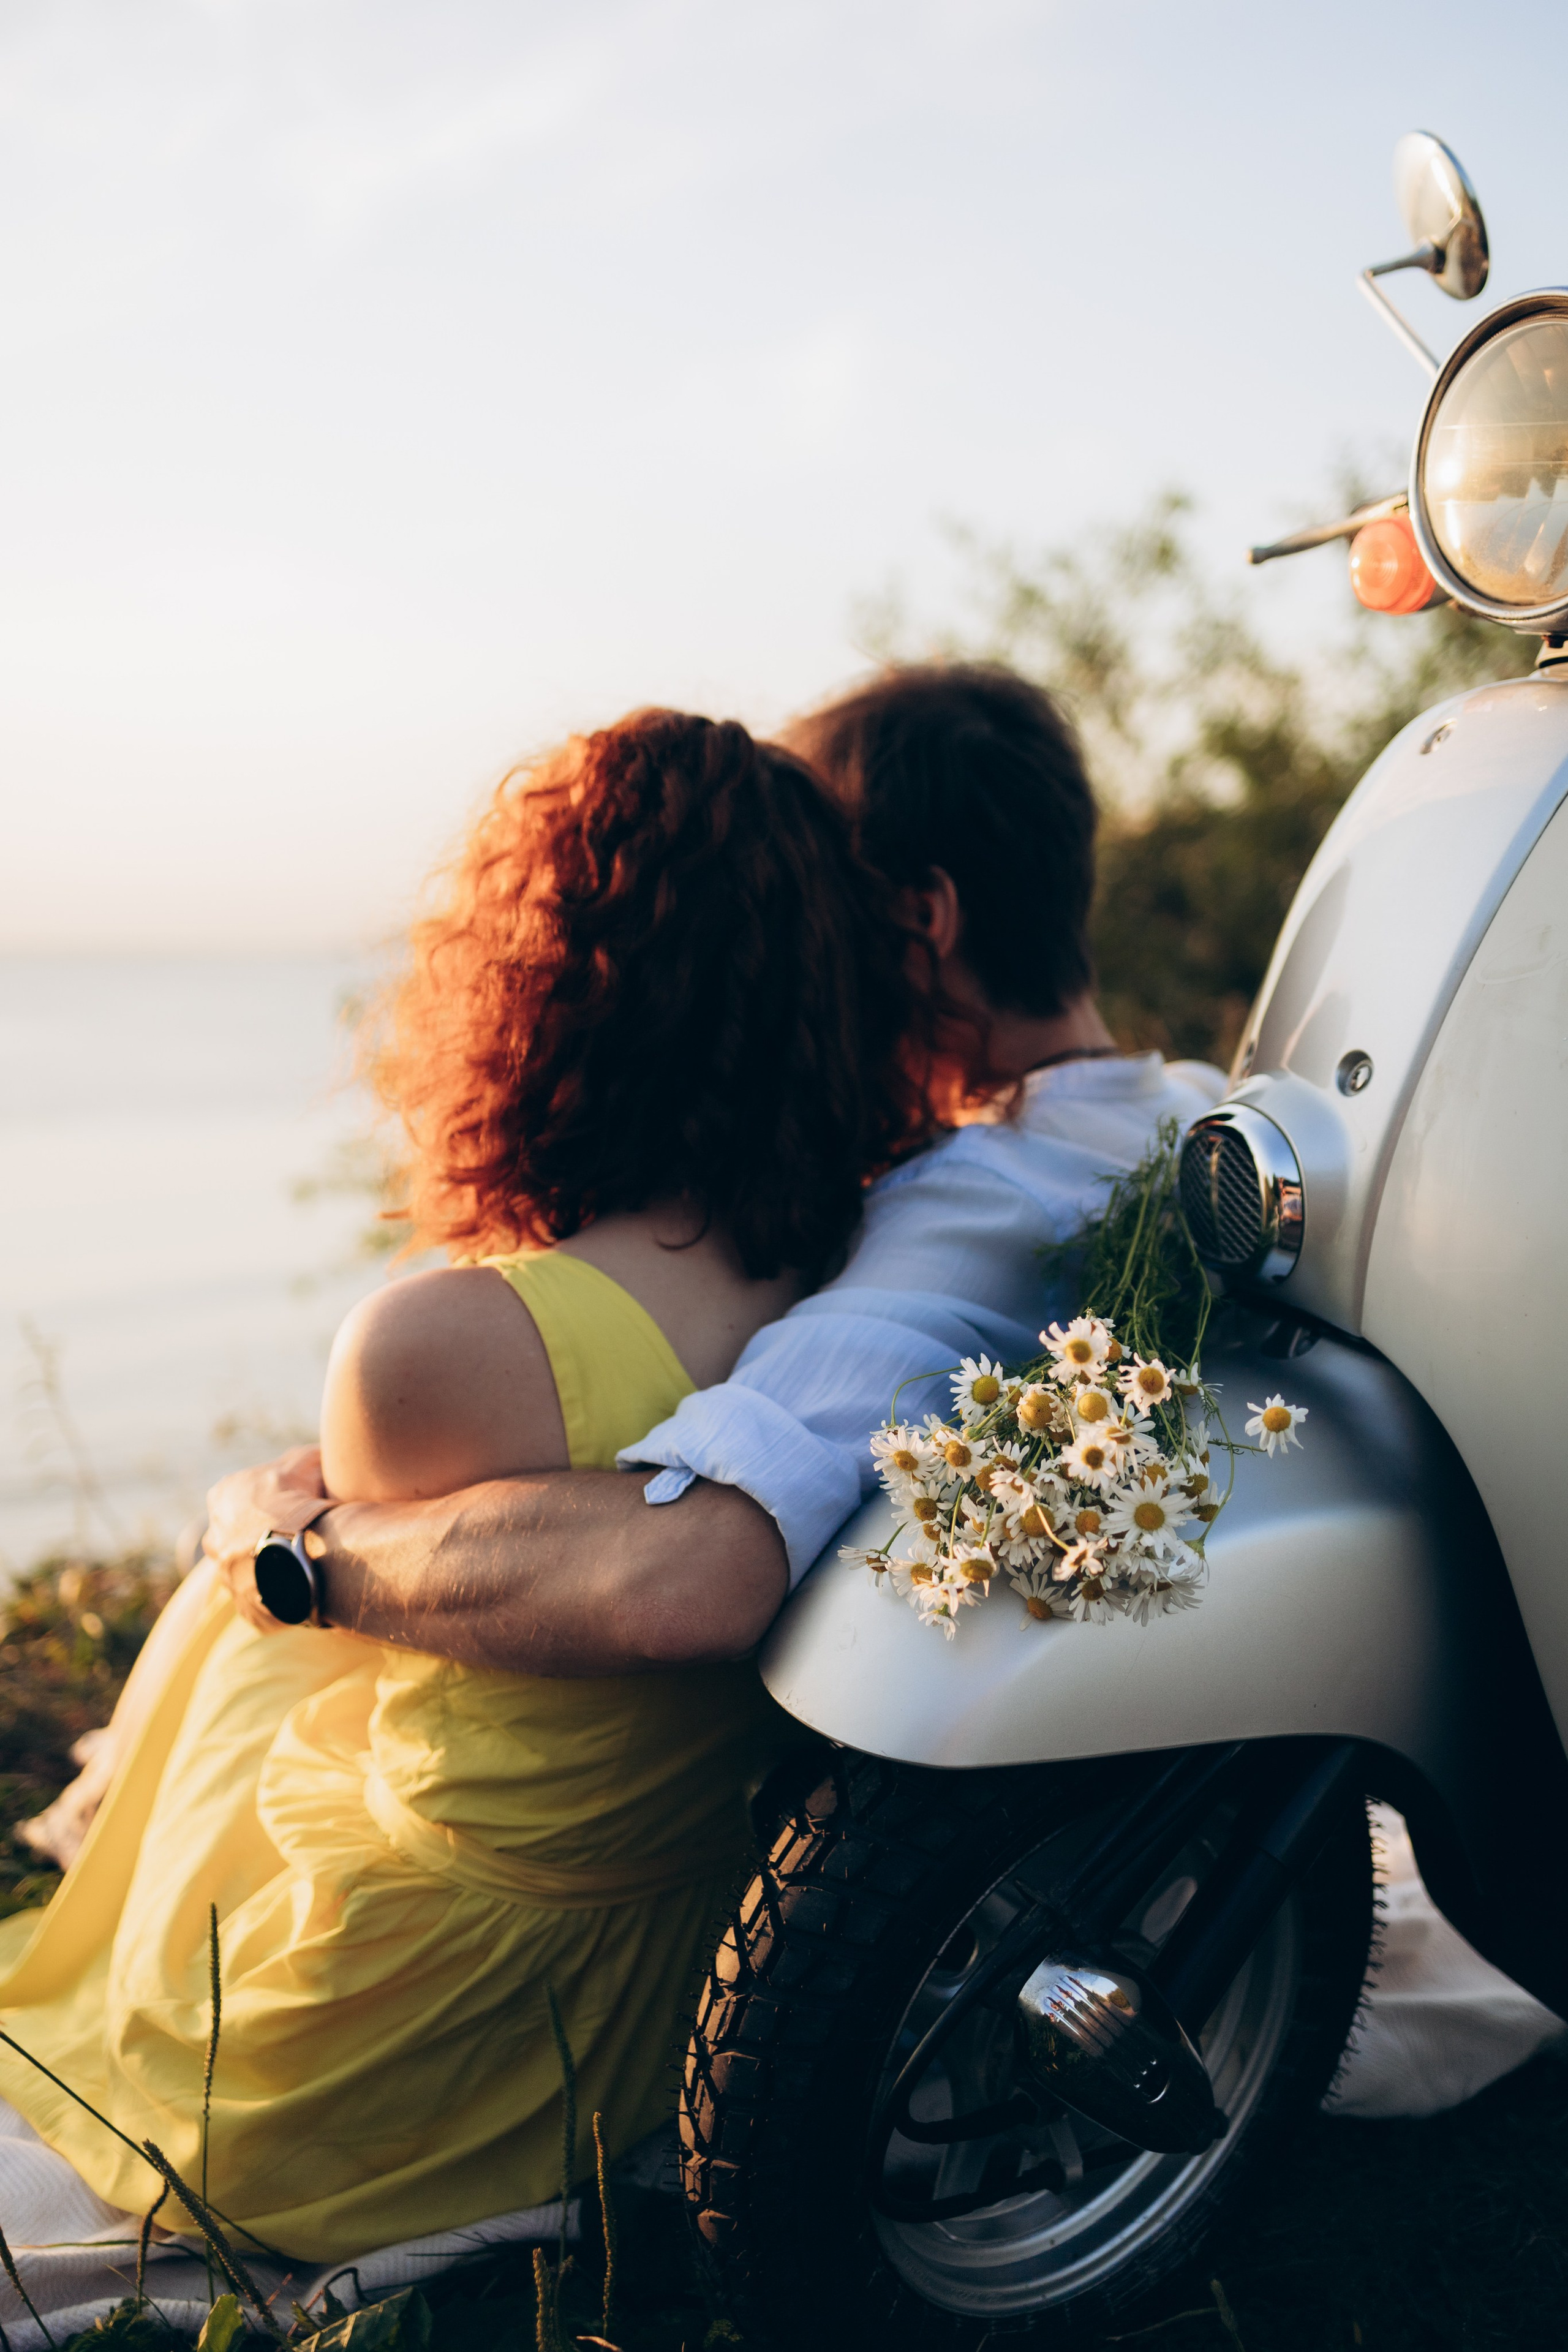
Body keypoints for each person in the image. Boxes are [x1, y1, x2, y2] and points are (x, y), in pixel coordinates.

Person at [0, 707, 933, 2260]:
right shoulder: (860, 1282)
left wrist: (262, 1534)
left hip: (405, 2037)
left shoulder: (447, 1338)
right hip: (681, 1977)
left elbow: (350, 1619)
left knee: (253, 1588)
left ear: (546, 989)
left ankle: (101, 1865)